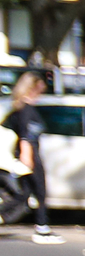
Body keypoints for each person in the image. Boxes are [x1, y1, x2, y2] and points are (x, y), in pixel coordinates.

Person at [4, 68, 57, 240]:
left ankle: (42, 227)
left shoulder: (19, 109)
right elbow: (26, 136)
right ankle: (42, 228)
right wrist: (27, 158)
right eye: (39, 89)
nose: (41, 93)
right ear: (32, 89)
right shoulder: (26, 111)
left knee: (24, 194)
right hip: (30, 155)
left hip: (28, 154)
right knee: (39, 192)